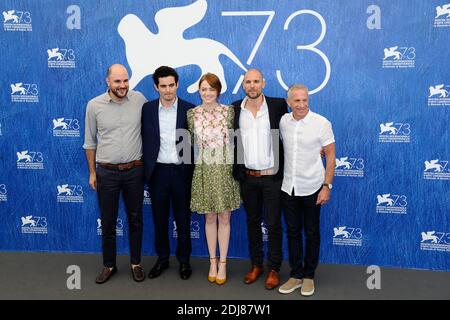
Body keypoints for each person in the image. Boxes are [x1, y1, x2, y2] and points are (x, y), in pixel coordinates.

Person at [83, 64, 147, 284]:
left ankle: (136, 263)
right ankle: (109, 265)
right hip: (106, 173)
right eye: (118, 81)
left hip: (135, 171)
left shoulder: (140, 100)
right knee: (108, 222)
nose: (123, 85)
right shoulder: (94, 105)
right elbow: (89, 143)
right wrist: (93, 172)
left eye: (125, 80)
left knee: (136, 219)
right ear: (107, 82)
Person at [232, 69, 288, 290]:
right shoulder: (235, 108)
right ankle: (256, 264)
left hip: (272, 177)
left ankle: (274, 268)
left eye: (256, 81)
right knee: (252, 222)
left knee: (274, 224)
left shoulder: (277, 106)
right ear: (243, 85)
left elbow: (292, 131)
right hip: (248, 177)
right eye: (248, 82)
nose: (252, 85)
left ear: (263, 83)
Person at [278, 84, 335, 297]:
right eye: (297, 101)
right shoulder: (284, 121)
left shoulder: (322, 123)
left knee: (311, 233)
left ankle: (309, 276)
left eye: (304, 100)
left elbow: (330, 156)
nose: (301, 105)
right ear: (289, 102)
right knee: (292, 232)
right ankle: (296, 275)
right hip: (288, 187)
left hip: (313, 187)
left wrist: (326, 186)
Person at [141, 66, 195, 280]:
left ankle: (184, 261)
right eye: (163, 86)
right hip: (158, 173)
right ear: (156, 87)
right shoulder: (147, 109)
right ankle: (162, 259)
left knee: (183, 219)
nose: (168, 90)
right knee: (159, 219)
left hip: (182, 172)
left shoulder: (189, 110)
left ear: (177, 85)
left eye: (171, 85)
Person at [187, 73, 241, 285]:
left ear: (218, 91)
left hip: (225, 170)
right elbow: (190, 144)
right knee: (209, 218)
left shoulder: (229, 112)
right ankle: (212, 261)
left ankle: (224, 263)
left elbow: (236, 141)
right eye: (204, 89)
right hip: (203, 170)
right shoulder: (192, 115)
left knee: (225, 218)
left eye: (212, 89)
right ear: (199, 91)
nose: (207, 93)